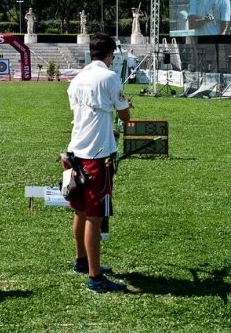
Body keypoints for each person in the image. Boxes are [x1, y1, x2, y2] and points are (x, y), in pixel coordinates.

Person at [66, 33, 131, 293]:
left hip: (76, 152)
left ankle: (82, 261)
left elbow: (89, 112)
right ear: (109, 54)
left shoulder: (77, 79)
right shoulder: (109, 77)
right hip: (96, 156)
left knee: (80, 210)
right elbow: (125, 116)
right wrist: (123, 110)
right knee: (95, 215)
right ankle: (95, 278)